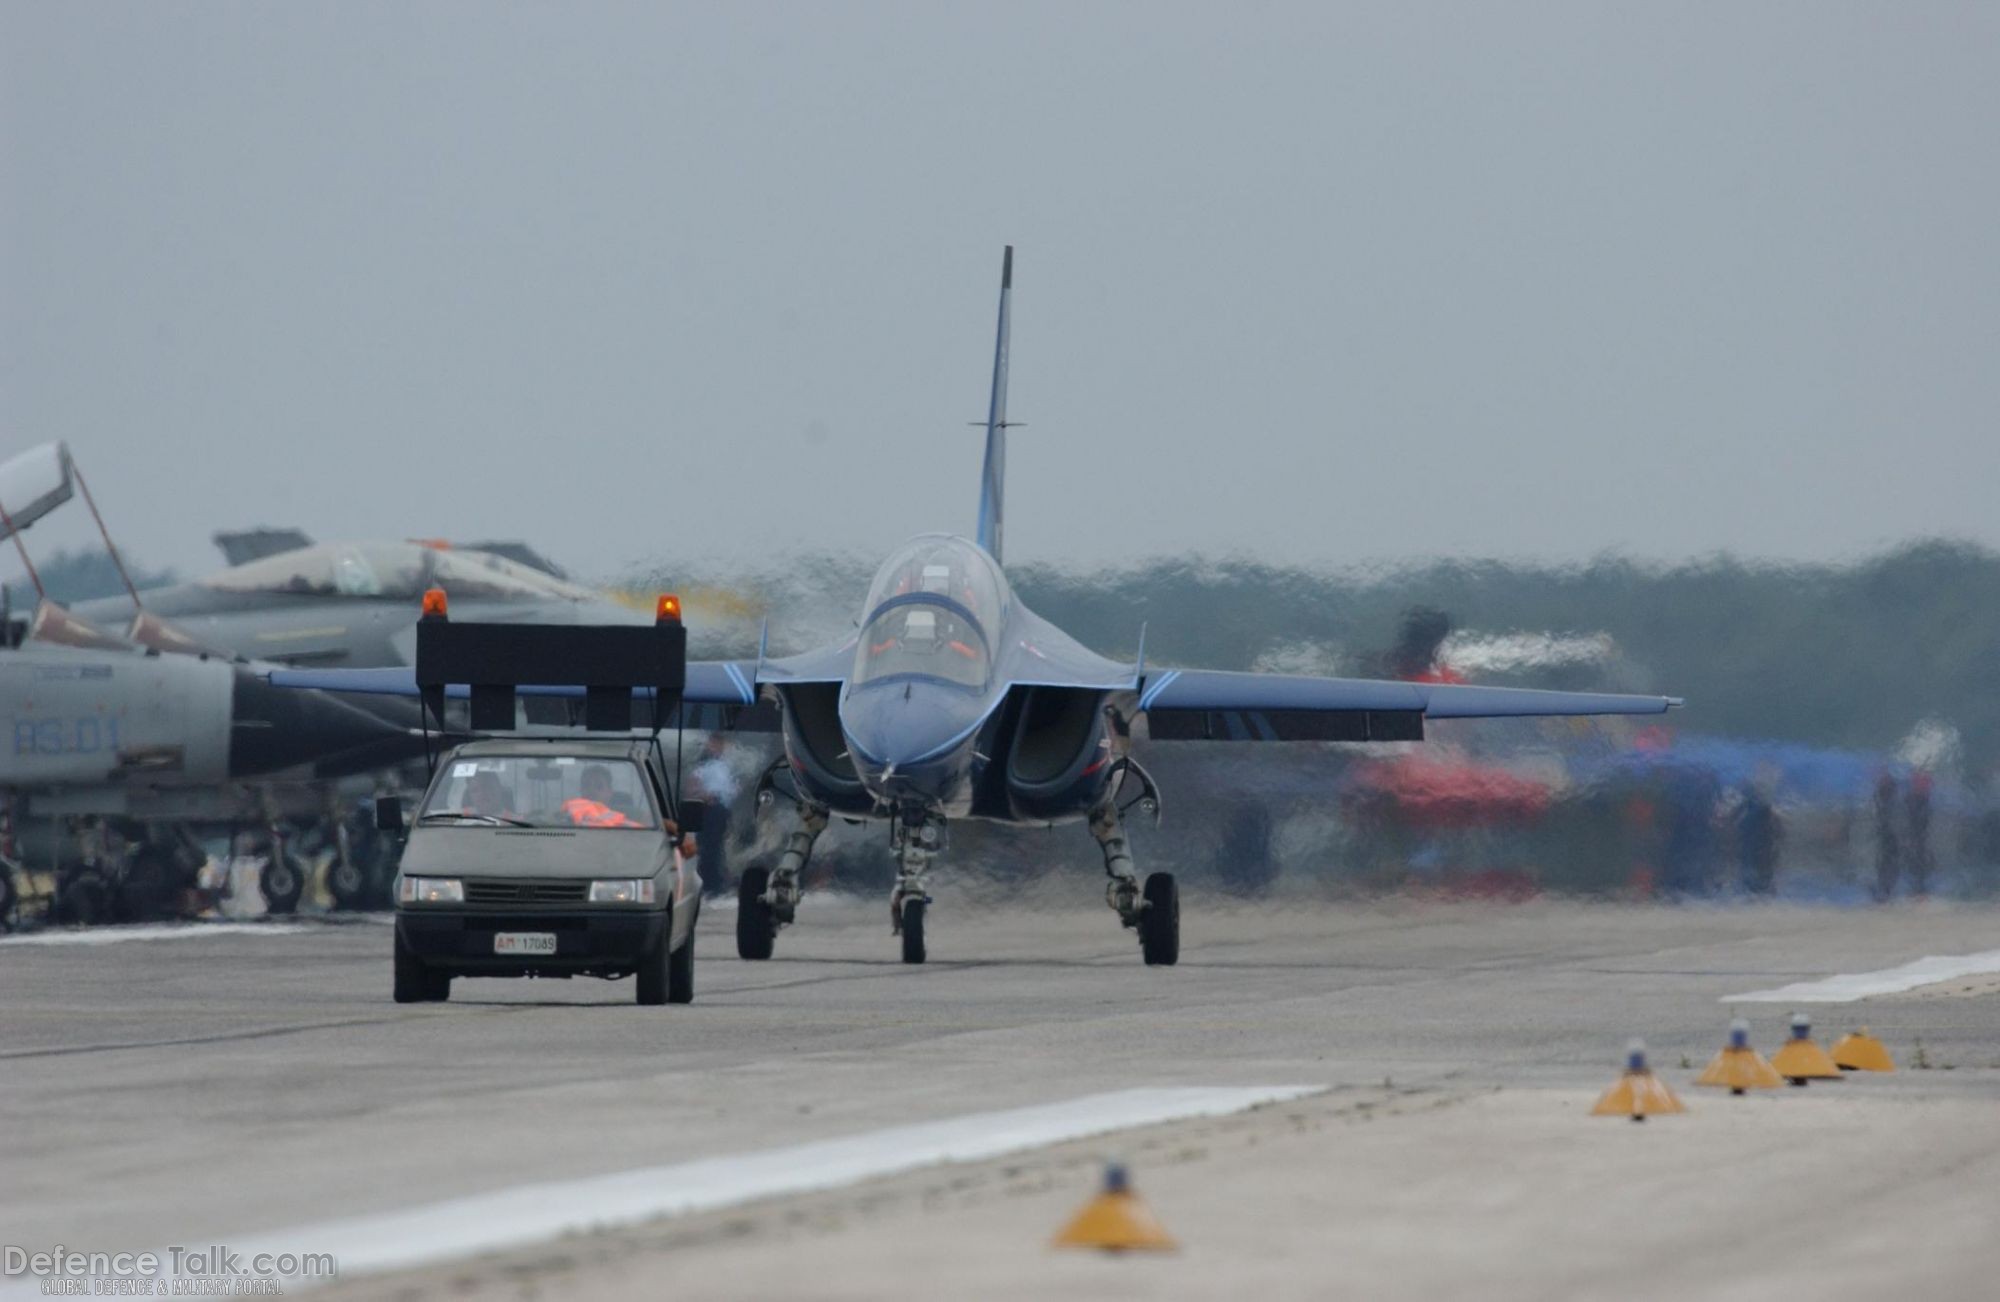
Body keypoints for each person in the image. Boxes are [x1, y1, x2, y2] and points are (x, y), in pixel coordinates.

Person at [690, 734, 739, 896]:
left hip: (721, 811)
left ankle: (717, 883)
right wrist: (705, 797)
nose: (718, 748)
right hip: (708, 811)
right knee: (708, 849)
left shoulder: (724, 765)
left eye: (720, 745)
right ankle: (709, 884)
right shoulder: (703, 764)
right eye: (715, 745)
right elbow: (693, 786)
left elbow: (731, 789)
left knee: (718, 848)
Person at [563, 765, 640, 828]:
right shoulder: (566, 816)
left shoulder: (632, 817)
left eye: (599, 786)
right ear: (581, 790)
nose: (591, 791)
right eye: (586, 785)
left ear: (609, 792)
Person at [1872, 771, 1902, 902]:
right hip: (1887, 835)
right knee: (1887, 862)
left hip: (1888, 835)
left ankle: (1885, 889)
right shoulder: (1885, 800)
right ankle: (1885, 889)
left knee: (1888, 862)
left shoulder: (1886, 800)